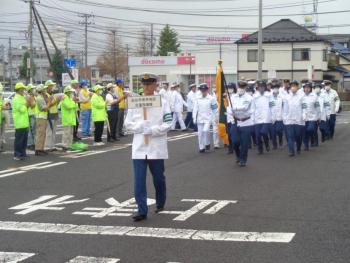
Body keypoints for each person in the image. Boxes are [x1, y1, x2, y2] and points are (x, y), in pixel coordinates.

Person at [124, 73, 172, 222]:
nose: (146, 87)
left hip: (156, 146)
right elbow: (127, 123)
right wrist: (139, 127)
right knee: (139, 181)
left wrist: (153, 129)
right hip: (139, 147)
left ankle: (160, 201)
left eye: (150, 84)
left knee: (158, 178)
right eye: (144, 84)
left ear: (155, 85)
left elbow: (168, 123)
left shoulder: (163, 102)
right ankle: (142, 210)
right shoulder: (135, 102)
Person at [226, 81, 254, 167]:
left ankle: (243, 160)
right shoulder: (232, 97)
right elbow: (229, 109)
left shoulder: (249, 98)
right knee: (235, 142)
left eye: (242, 87)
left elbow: (251, 110)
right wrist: (233, 112)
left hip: (246, 122)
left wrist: (238, 109)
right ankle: (238, 155)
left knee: (244, 144)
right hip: (235, 122)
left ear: (245, 88)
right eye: (239, 87)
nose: (240, 89)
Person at [192, 83, 218, 153]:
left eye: (204, 90)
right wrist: (194, 118)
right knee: (200, 134)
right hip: (200, 118)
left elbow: (215, 109)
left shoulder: (211, 98)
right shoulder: (197, 98)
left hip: (208, 118)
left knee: (205, 131)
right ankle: (201, 147)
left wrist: (216, 117)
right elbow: (195, 109)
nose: (203, 91)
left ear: (207, 90)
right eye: (202, 90)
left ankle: (207, 143)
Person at [283, 80, 305, 157]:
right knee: (290, 136)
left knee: (298, 136)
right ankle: (291, 151)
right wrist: (285, 118)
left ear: (297, 87)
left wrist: (304, 115)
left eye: (294, 86)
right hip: (289, 120)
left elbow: (304, 107)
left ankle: (298, 147)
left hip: (299, 120)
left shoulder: (302, 96)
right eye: (292, 86)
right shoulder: (287, 97)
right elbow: (285, 109)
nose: (293, 87)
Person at [12, 82, 32, 160]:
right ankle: (17, 155)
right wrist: (26, 104)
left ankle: (23, 153)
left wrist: (26, 103)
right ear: (19, 89)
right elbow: (22, 110)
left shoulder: (22, 97)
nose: (24, 90)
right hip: (19, 123)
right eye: (22, 89)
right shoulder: (16, 98)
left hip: (24, 122)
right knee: (19, 140)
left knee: (24, 140)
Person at [252, 81, 272, 154]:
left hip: (266, 117)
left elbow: (272, 106)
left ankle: (266, 143)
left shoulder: (269, 95)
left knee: (263, 132)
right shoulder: (254, 96)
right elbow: (252, 108)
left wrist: (272, 116)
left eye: (262, 87)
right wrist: (252, 118)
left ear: (265, 88)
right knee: (257, 135)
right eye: (260, 87)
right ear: (258, 88)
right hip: (257, 118)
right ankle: (260, 149)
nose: (261, 88)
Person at [44, 80, 61, 151]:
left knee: (54, 131)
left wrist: (58, 101)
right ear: (47, 87)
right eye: (51, 86)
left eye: (52, 86)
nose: (52, 87)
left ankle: (52, 145)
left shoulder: (52, 94)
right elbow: (48, 105)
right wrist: (56, 101)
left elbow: (55, 104)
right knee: (49, 131)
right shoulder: (45, 95)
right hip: (50, 114)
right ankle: (47, 146)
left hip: (55, 113)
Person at [302, 82, 320, 151]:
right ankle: (306, 145)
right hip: (303, 118)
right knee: (304, 133)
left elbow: (318, 107)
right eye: (305, 88)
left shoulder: (314, 96)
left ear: (310, 89)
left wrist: (319, 116)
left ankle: (311, 138)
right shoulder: (301, 96)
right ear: (304, 89)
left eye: (308, 88)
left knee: (310, 129)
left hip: (312, 117)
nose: (307, 89)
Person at [61, 86, 78, 151]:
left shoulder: (70, 99)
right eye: (70, 92)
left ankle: (69, 145)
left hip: (71, 119)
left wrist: (74, 102)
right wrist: (74, 102)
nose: (72, 93)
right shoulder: (64, 98)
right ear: (67, 92)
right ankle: (64, 145)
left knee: (70, 133)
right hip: (67, 119)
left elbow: (75, 106)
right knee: (66, 133)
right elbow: (69, 106)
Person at [35, 84, 50, 156]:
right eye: (44, 89)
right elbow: (43, 108)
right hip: (40, 117)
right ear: (41, 91)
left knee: (43, 134)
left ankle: (41, 148)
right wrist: (49, 103)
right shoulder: (39, 98)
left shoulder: (41, 97)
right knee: (40, 134)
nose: (45, 90)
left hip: (43, 117)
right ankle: (38, 149)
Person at [269, 83, 284, 149]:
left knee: (279, 130)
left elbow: (284, 107)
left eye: (276, 88)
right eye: (274, 88)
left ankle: (280, 139)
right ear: (272, 89)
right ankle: (274, 145)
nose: (275, 89)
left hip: (280, 117)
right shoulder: (269, 97)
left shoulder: (282, 97)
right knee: (273, 132)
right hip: (271, 117)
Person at [226, 83, 236, 154]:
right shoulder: (225, 96)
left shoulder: (237, 96)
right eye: (228, 88)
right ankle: (230, 148)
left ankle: (235, 146)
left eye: (231, 88)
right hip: (227, 118)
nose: (230, 89)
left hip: (235, 118)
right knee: (229, 134)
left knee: (233, 133)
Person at [26, 84, 37, 151]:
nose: (34, 90)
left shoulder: (34, 96)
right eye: (33, 89)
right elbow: (32, 105)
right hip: (30, 114)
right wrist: (34, 100)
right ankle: (30, 144)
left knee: (34, 130)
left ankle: (33, 143)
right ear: (30, 90)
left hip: (34, 114)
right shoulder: (29, 97)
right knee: (31, 130)